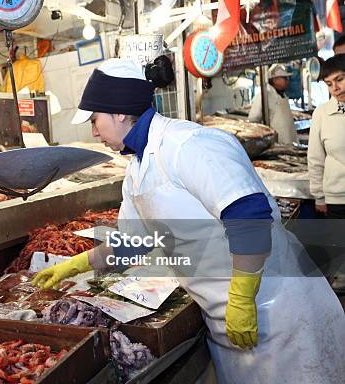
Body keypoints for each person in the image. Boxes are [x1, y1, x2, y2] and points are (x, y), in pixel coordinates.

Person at [33, 57, 344, 383]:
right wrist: (77, 264)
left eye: (95, 120)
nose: (94, 131)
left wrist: (241, 297)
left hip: (277, 309)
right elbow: (132, 243)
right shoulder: (136, 170)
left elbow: (249, 214)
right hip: (225, 322)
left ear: (121, 112)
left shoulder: (187, 145)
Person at [308, 54, 345, 217]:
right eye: (329, 84)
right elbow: (315, 158)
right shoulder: (322, 113)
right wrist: (319, 197)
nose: (335, 88)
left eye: (340, 79)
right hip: (337, 199)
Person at [248, 64, 298, 144]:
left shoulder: (282, 95)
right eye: (284, 78)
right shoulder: (265, 95)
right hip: (277, 143)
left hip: (289, 140)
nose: (287, 81)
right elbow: (253, 119)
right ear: (275, 80)